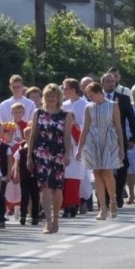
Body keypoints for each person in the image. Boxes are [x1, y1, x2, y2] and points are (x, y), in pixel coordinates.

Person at [26, 84, 73, 233]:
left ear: (59, 97)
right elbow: (33, 135)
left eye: (53, 96)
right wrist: (29, 156)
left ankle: (56, 218)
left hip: (58, 153)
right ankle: (48, 221)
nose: (50, 98)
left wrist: (67, 154)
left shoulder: (66, 115)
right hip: (41, 152)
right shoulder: (38, 113)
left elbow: (67, 136)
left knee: (56, 187)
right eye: (47, 96)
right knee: (45, 186)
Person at [80, 80, 127, 220]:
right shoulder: (88, 107)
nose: (90, 98)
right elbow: (85, 128)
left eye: (92, 95)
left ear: (99, 93)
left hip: (109, 140)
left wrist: (121, 147)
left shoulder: (113, 105)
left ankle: (112, 201)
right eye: (88, 96)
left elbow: (118, 127)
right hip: (93, 141)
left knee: (107, 172)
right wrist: (80, 147)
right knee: (97, 173)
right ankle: (102, 207)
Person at [102, 70, 135, 210]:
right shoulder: (98, 98)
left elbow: (131, 119)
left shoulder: (123, 98)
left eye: (113, 81)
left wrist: (133, 138)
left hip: (119, 137)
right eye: (108, 81)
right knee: (104, 167)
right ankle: (106, 197)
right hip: (102, 138)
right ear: (102, 84)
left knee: (122, 166)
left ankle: (118, 193)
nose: (111, 83)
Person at [60, 79, 89, 218]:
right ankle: (67, 205)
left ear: (73, 89)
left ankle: (80, 201)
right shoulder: (63, 105)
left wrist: (75, 125)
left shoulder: (85, 105)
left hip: (79, 145)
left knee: (78, 177)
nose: (63, 91)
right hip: (64, 146)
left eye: (65, 88)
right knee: (65, 178)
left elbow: (88, 125)